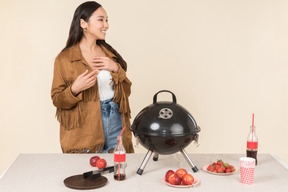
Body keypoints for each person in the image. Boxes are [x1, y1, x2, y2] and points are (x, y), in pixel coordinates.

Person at [51, 1, 134, 153]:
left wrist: (116, 68)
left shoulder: (110, 55)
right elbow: (57, 99)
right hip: (85, 128)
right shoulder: (64, 59)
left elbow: (126, 92)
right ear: (83, 23)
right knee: (88, 170)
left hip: (115, 117)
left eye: (107, 20)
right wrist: (75, 89)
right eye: (100, 19)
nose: (106, 25)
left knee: (118, 169)